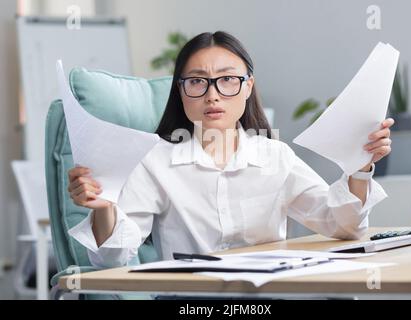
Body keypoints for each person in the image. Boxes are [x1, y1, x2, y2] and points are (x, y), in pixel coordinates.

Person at [67, 31, 393, 268]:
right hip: (191, 303)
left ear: (248, 86)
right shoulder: (156, 162)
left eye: (227, 80)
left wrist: (359, 166)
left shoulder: (274, 157)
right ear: (180, 91)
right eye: (196, 81)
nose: (212, 95)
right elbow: (112, 257)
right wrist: (104, 206)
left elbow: (344, 226)